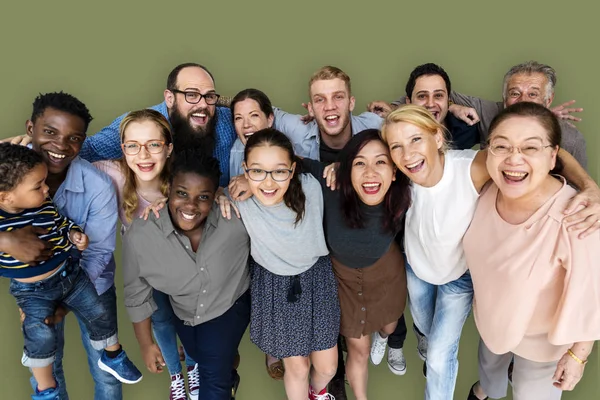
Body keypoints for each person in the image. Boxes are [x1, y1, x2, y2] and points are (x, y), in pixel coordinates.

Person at [379, 104, 600, 399]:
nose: (407, 153)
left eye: (416, 140)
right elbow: (367, 161)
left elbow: (546, 154)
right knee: (431, 332)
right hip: (428, 276)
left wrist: (589, 185)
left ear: (438, 139)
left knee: (439, 358)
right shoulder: (411, 170)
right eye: (397, 146)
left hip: (462, 282)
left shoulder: (473, 169)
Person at [463, 102, 600, 400]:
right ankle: (487, 390)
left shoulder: (578, 219)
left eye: (530, 148)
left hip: (542, 347)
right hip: (492, 322)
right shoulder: (486, 190)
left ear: (553, 157)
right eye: (502, 146)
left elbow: (593, 294)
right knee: (490, 373)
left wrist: (578, 356)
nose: (514, 159)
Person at [0, 92, 130, 400]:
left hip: (89, 282)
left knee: (106, 371)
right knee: (45, 365)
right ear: (30, 127)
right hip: (34, 289)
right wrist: (4, 239)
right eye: (49, 132)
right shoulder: (4, 165)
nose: (60, 145)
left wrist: (67, 298)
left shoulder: (97, 185)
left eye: (74, 138)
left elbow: (98, 252)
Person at [123, 148, 251, 400]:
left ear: (215, 195)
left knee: (212, 381)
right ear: (168, 188)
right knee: (204, 356)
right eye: (182, 193)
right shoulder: (141, 235)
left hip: (228, 306)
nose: (191, 205)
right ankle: (228, 372)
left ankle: (223, 376)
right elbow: (136, 294)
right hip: (184, 312)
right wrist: (146, 344)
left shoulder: (236, 219)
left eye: (202, 196)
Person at [93, 109, 202, 400]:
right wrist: (28, 143)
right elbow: (65, 158)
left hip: (186, 270)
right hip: (146, 274)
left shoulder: (184, 178)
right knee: (161, 318)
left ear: (168, 148)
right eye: (133, 145)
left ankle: (193, 368)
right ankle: (176, 376)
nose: (143, 154)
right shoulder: (113, 174)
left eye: (153, 144)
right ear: (123, 149)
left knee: (190, 317)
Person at [229, 129, 339, 400]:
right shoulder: (238, 200)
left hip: (317, 279)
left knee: (328, 367)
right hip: (275, 284)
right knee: (298, 367)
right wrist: (223, 193)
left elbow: (352, 172)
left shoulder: (312, 187)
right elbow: (201, 197)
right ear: (245, 170)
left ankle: (317, 392)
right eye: (257, 171)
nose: (268, 182)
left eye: (278, 171)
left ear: (292, 170)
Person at [301, 129, 411, 400]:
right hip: (344, 282)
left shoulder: (404, 195)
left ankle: (385, 338)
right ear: (347, 169)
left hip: (386, 273)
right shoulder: (331, 184)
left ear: (395, 171)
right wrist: (246, 178)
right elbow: (285, 161)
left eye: (381, 162)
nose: (370, 173)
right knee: (358, 350)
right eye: (360, 163)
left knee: (388, 326)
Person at [376, 61, 588, 169]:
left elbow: (582, 193)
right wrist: (452, 105)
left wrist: (541, 120)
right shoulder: (484, 111)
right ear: (504, 98)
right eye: (515, 93)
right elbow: (430, 96)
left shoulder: (571, 140)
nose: (523, 100)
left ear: (548, 100)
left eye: (533, 94)